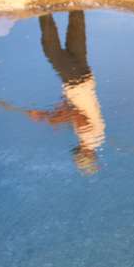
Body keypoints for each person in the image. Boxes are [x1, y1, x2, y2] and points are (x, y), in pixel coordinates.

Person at [29, 11, 106, 175]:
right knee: (51, 51)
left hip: (83, 78)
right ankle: (44, 10)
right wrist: (49, 118)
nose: (77, 151)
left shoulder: (96, 139)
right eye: (79, 154)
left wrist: (55, 115)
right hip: (76, 81)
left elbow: (70, 108)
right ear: (85, 154)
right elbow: (76, 114)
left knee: (76, 38)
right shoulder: (90, 138)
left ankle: (76, 4)